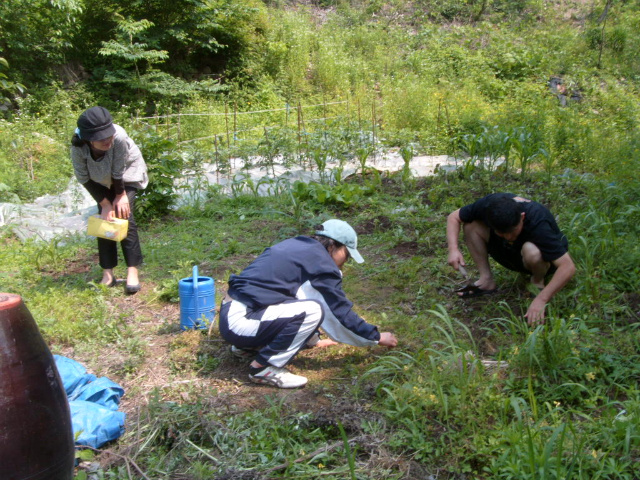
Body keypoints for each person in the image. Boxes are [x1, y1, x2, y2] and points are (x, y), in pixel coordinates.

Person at [219, 219, 399, 389]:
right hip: (242, 324)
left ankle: (247, 347)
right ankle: (262, 369)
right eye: (347, 255)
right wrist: (375, 337)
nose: (345, 263)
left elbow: (296, 294)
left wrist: (312, 340)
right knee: (313, 310)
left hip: (232, 317)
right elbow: (338, 311)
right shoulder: (321, 263)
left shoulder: (297, 246)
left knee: (303, 304)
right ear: (334, 246)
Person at [446, 193, 575, 326]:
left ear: (522, 217)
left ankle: (537, 282)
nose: (508, 236)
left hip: (539, 261)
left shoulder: (538, 221)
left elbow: (568, 267)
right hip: (511, 253)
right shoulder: (488, 206)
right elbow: (454, 217)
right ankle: (486, 280)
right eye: (501, 232)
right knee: (471, 225)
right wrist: (453, 249)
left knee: (532, 251)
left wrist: (541, 300)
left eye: (513, 230)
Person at [71, 106, 148, 294]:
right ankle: (108, 273)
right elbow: (83, 177)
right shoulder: (78, 146)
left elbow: (118, 171)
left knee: (123, 216)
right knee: (105, 220)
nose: (107, 140)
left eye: (109, 135)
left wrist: (120, 195)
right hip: (98, 179)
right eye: (101, 138)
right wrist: (105, 204)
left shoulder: (119, 137)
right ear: (88, 139)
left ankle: (132, 271)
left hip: (126, 172)